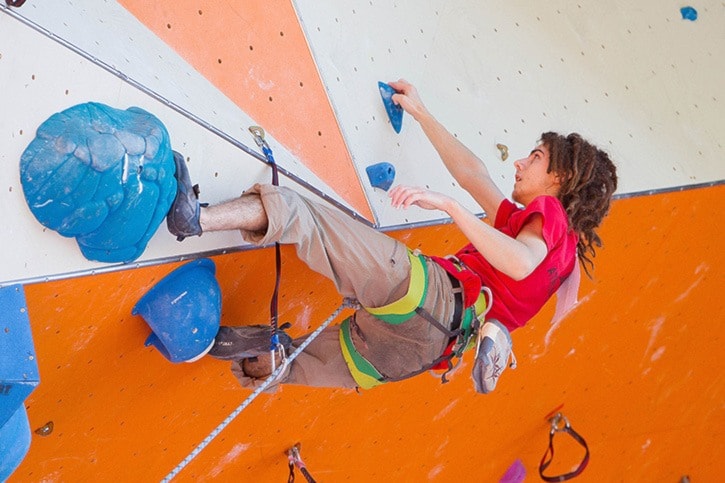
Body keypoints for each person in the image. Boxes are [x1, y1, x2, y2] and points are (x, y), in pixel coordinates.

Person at [166, 79, 618, 394]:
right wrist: (420, 112)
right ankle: (230, 348)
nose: (519, 162)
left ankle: (196, 219)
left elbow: (520, 260)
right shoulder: (557, 258)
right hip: (419, 355)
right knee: (290, 365)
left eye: (535, 158)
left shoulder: (549, 214)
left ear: (560, 176)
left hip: (429, 297)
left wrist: (448, 206)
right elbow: (474, 173)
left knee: (306, 216)